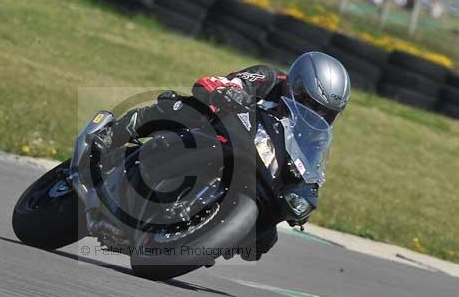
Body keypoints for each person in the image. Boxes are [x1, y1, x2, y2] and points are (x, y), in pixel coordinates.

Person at [104, 52, 350, 258]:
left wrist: (302, 192)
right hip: (221, 133)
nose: (316, 114)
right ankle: (114, 133)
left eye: (325, 112)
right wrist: (228, 90)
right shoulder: (269, 78)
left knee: (263, 242)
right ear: (294, 86)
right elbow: (220, 82)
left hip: (258, 169)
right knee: (184, 107)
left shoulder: (316, 137)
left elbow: (309, 168)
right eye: (309, 103)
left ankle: (196, 233)